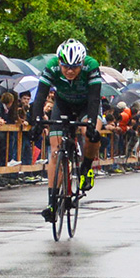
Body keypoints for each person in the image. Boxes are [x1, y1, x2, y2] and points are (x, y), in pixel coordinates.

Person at [27, 39, 103, 223]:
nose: (70, 71)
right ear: (59, 62)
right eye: (66, 66)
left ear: (82, 64)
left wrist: (91, 124)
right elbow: (40, 95)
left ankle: (86, 168)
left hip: (86, 105)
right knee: (55, 151)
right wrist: (36, 122)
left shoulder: (91, 66)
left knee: (90, 133)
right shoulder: (52, 66)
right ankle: (52, 203)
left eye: (75, 67)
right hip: (63, 105)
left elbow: (94, 99)